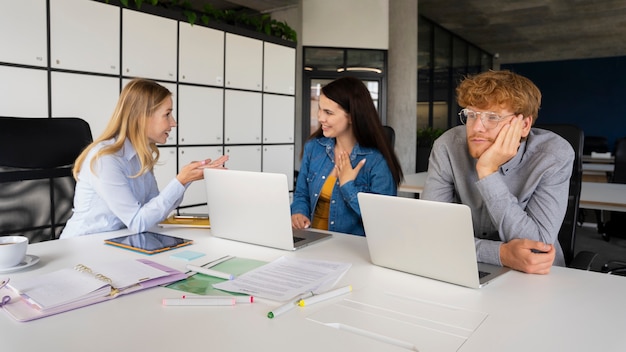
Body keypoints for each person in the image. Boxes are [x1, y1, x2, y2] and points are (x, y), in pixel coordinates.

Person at [421, 70, 574, 274]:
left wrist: (487, 172)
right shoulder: (448, 146)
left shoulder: (553, 155)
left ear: (524, 125)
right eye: (471, 115)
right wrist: (500, 254)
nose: (477, 128)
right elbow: (430, 231)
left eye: (492, 117)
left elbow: (537, 248)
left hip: (534, 278)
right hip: (460, 267)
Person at [60, 78, 228, 238]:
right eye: (167, 114)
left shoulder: (140, 155)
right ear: (142, 117)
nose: (174, 123)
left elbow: (153, 210)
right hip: (81, 248)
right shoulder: (105, 159)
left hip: (116, 241)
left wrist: (188, 178)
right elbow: (137, 221)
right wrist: (181, 181)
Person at [291, 76, 403, 236]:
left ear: (351, 116)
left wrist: (348, 185)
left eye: (328, 112)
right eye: (320, 109)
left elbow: (383, 220)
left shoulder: (376, 161)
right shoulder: (314, 148)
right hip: (310, 244)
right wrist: (298, 212)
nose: (320, 118)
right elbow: (301, 194)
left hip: (352, 251)